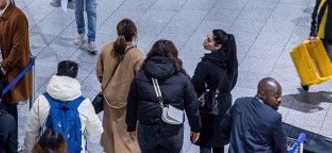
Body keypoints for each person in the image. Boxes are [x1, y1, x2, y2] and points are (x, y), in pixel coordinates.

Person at [126, 40, 201, 153]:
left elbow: (131, 104)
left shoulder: (140, 78)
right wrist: (195, 128)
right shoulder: (182, 79)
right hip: (172, 130)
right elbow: (192, 106)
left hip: (146, 130)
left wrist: (130, 127)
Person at [24, 60, 102, 153]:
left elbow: (31, 132)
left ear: (57, 74)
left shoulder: (42, 100)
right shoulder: (84, 103)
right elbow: (95, 129)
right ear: (76, 77)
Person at [97, 19, 145, 153]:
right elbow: (141, 81)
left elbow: (99, 73)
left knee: (110, 131)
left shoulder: (106, 49)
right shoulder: (137, 55)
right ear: (134, 33)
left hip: (108, 98)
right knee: (126, 135)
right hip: (127, 101)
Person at [192, 31, 239, 153]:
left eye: (209, 39)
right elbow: (232, 82)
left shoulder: (205, 65)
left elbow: (195, 85)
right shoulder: (232, 62)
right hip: (225, 103)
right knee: (219, 140)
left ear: (218, 46)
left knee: (206, 140)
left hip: (209, 105)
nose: (204, 40)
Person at [219, 79, 285, 153]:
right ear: (262, 93)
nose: (279, 100)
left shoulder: (240, 103)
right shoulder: (274, 117)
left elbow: (224, 128)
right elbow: (281, 147)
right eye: (276, 96)